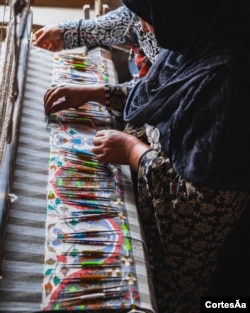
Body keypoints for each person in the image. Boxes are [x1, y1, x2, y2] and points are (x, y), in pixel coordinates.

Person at [91, 0, 250, 312]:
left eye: (149, 17)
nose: (144, 27)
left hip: (178, 272)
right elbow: (166, 92)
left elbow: (199, 210)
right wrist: (98, 94)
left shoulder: (228, 87)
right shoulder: (199, 39)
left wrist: (134, 152)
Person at [32, 5, 161, 117]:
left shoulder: (177, 49)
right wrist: (67, 32)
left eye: (147, 18)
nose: (142, 27)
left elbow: (161, 93)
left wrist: (95, 94)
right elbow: (131, 17)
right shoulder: (151, 13)